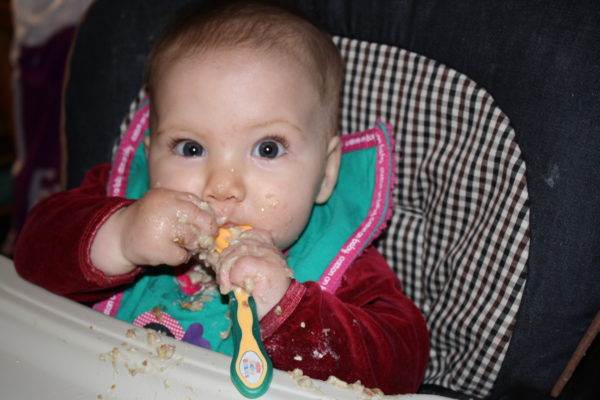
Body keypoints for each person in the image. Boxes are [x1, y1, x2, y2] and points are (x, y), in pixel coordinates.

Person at [14, 0, 429, 393]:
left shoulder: (341, 263)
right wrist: (119, 237)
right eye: (191, 149)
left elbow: (400, 370)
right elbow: (32, 253)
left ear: (326, 173)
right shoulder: (122, 203)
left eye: (268, 149)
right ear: (151, 151)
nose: (223, 185)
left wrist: (285, 306)